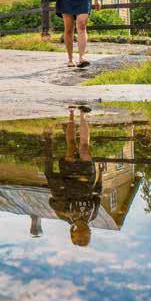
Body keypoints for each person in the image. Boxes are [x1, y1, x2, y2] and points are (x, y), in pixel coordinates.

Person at [46, 106, 102, 247]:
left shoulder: (65, 215)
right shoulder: (92, 215)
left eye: (83, 235)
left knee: (71, 147)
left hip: (69, 176)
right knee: (84, 149)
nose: (87, 232)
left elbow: (52, 200)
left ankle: (71, 114)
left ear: (74, 233)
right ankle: (83, 115)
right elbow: (97, 194)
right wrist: (101, 173)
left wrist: (61, 198)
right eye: (88, 235)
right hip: (87, 178)